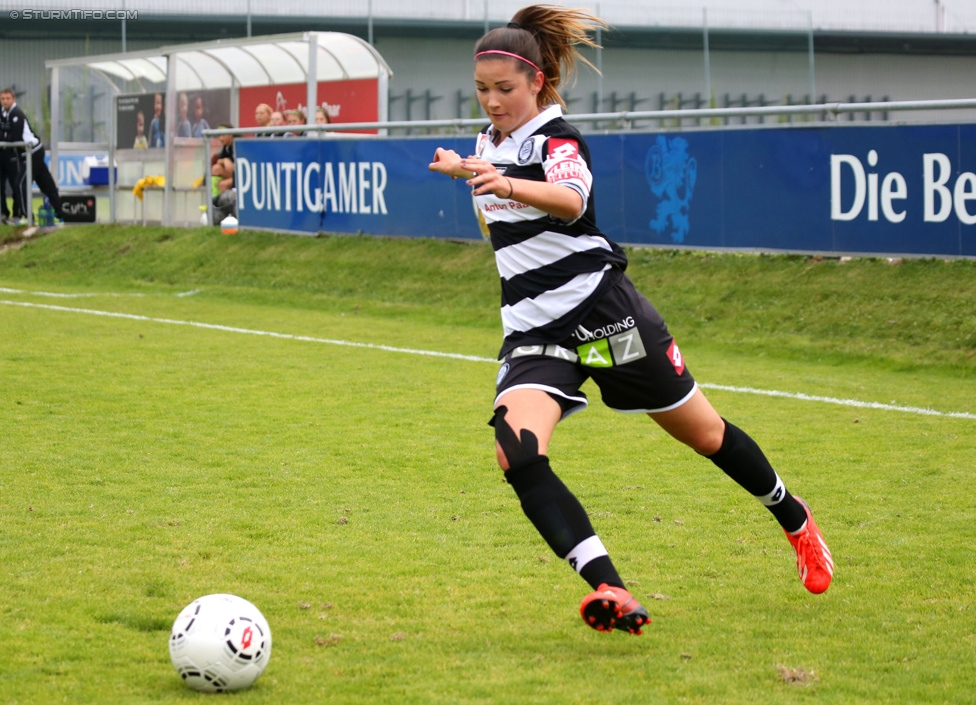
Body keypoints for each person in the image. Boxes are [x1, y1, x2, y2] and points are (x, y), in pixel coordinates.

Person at [428, 5, 833, 636]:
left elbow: (572, 200)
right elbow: (502, 189)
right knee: (516, 451)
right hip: (535, 329)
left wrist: (504, 184)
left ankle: (793, 517)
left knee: (703, 434)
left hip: (602, 314)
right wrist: (465, 166)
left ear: (537, 81)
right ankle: (610, 588)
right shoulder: (491, 143)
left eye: (504, 89)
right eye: (482, 90)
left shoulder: (557, 140)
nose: (491, 101)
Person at [0, 87, 63, 224]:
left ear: (14, 99)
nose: (5, 101)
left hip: (32, 152)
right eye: (2, 98)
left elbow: (15, 138)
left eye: (7, 98)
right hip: (29, 153)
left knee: (20, 184)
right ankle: (60, 214)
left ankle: (27, 218)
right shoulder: (5, 114)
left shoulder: (16, 113)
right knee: (47, 185)